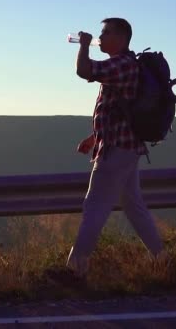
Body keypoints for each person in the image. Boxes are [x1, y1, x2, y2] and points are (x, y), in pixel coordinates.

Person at [66, 18, 165, 276]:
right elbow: (116, 110)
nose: (100, 36)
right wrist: (94, 136)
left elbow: (84, 70)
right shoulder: (124, 65)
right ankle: (163, 261)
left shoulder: (121, 64)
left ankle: (76, 268)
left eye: (105, 32)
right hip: (124, 147)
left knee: (95, 206)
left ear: (121, 38)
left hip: (116, 150)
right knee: (134, 207)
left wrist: (84, 45)